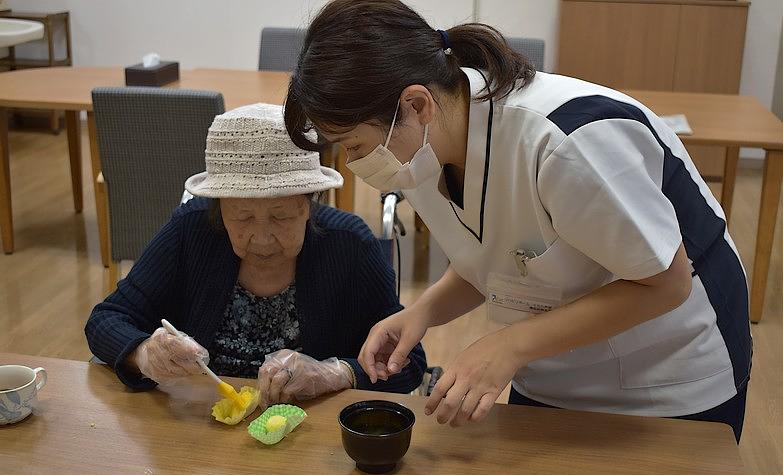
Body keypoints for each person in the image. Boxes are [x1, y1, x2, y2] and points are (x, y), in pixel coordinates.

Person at [283, 0, 751, 441]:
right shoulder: (422, 147)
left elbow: (666, 284)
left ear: (416, 104)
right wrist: (422, 313)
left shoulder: (567, 142)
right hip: (550, 363)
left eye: (354, 144)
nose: (353, 162)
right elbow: (500, 253)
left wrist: (509, 345)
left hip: (669, 378)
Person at [85, 103, 426, 408]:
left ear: (309, 205)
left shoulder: (348, 244)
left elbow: (409, 361)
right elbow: (106, 319)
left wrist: (334, 373)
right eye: (243, 217)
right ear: (219, 209)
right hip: (200, 432)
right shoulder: (191, 230)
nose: (262, 238)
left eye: (280, 216)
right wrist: (143, 353)